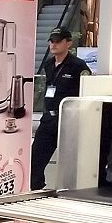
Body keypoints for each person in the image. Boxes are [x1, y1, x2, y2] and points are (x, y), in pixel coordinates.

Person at [30, 26, 91, 190]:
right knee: (35, 158)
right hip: (48, 119)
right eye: (51, 41)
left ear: (68, 43)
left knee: (70, 161)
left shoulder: (78, 66)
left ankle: (71, 191)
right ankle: (35, 188)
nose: (53, 44)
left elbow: (86, 91)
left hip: (68, 120)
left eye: (57, 41)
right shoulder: (48, 64)